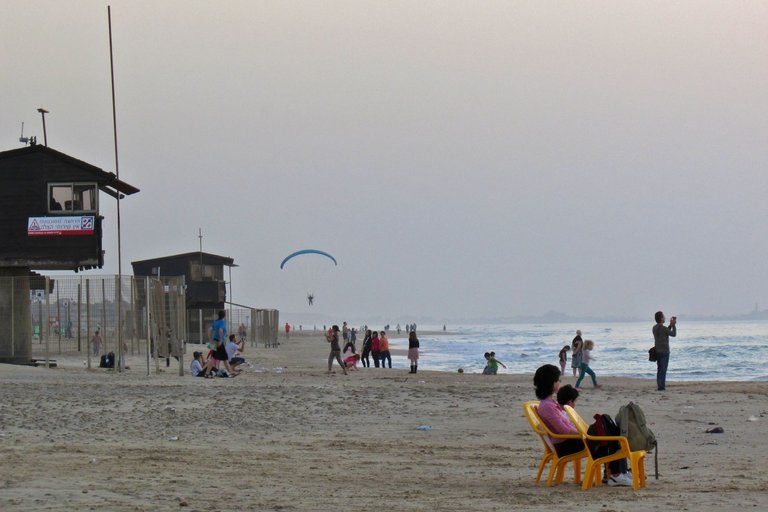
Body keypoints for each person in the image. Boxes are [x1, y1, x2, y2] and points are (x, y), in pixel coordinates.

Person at [533, 364, 632, 487]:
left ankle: (615, 473)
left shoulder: (551, 403)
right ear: (552, 383)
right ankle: (616, 474)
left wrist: (584, 432)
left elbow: (566, 427)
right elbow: (563, 430)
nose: (559, 382)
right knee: (607, 433)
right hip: (566, 444)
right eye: (558, 380)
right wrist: (584, 433)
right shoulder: (547, 406)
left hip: (570, 441)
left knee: (607, 427)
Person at [204, 310, 235, 377]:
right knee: (224, 358)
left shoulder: (215, 322)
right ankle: (231, 372)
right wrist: (220, 340)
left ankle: (207, 373)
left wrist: (210, 339)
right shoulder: (222, 322)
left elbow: (209, 330)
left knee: (214, 358)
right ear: (224, 315)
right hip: (219, 342)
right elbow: (220, 330)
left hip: (214, 340)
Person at [653, 311, 677, 391]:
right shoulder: (663, 328)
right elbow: (673, 334)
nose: (665, 318)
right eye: (663, 316)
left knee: (659, 369)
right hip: (665, 351)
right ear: (661, 318)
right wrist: (673, 326)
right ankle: (662, 387)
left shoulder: (654, 328)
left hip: (657, 351)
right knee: (663, 369)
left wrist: (670, 325)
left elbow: (664, 332)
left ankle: (660, 385)